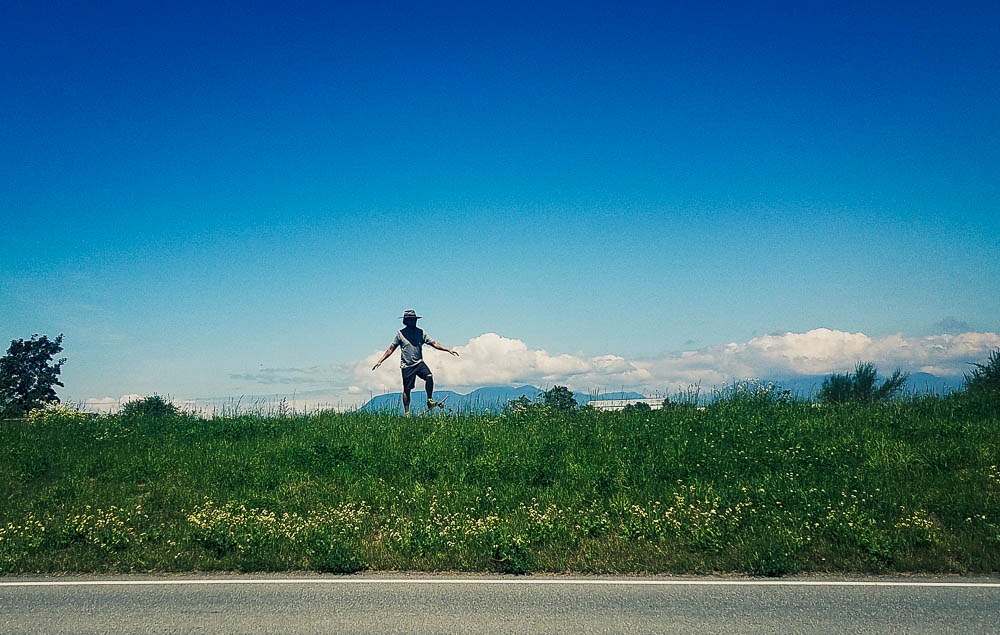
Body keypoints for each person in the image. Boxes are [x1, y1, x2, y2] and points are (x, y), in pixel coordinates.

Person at [372, 310, 459, 416]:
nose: (414, 321)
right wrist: (380, 360)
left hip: (419, 363)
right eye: (411, 320)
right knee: (407, 389)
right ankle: (407, 413)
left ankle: (429, 400)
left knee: (429, 376)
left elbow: (434, 343)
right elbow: (391, 349)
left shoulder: (421, 332)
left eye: (415, 320)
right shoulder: (400, 334)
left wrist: (448, 349)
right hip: (407, 365)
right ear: (406, 321)